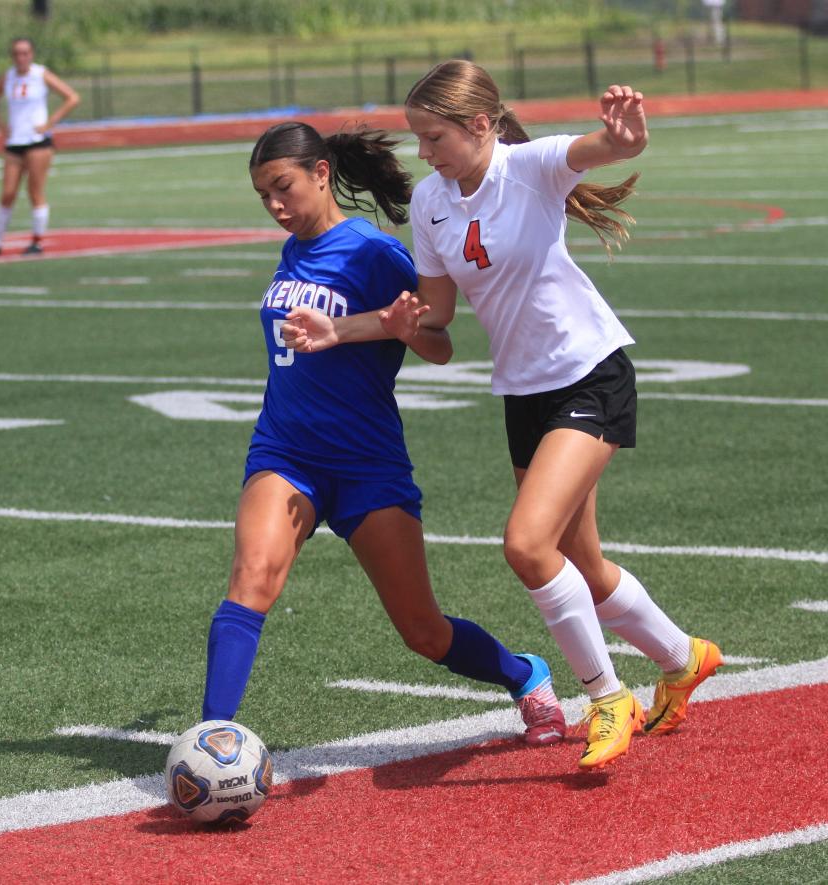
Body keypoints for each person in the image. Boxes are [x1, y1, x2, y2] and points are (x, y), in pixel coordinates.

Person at [281, 61, 723, 771]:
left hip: (591, 371)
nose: (423, 153)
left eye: (434, 137)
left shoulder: (532, 165)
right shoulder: (430, 202)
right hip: (525, 392)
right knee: (581, 561)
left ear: (480, 125)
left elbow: (601, 150)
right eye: (418, 139)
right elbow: (437, 328)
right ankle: (684, 655)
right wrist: (354, 328)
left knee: (525, 543)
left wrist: (626, 137)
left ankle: (606, 694)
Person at [202, 121, 568, 748]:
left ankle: (523, 673)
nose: (275, 206)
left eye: (283, 188)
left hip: (368, 464)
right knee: (251, 579)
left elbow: (441, 345)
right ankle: (212, 737)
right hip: (286, 451)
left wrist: (402, 328)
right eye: (263, 195)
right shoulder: (293, 250)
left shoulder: (375, 254)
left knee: (423, 631)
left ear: (322, 174)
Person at [0, 37, 80, 256]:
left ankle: (37, 241)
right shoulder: (8, 77)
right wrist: (1, 126)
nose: (21, 57)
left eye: (25, 53)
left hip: (38, 142)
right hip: (14, 142)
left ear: (32, 54)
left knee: (34, 192)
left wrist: (50, 122)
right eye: (17, 53)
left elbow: (72, 97)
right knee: (7, 193)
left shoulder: (40, 74)